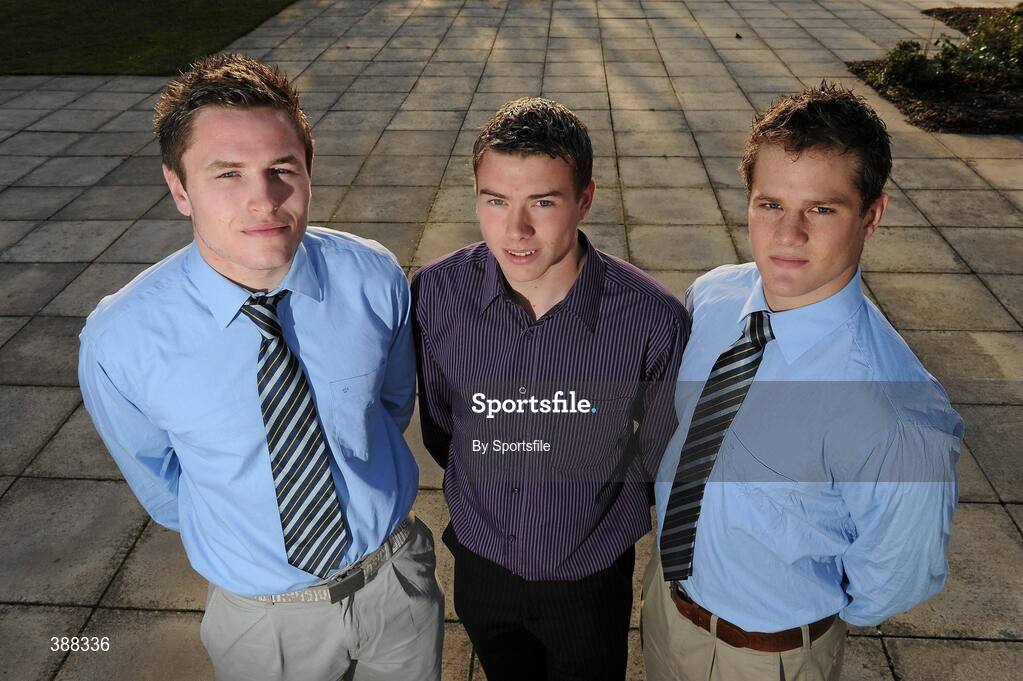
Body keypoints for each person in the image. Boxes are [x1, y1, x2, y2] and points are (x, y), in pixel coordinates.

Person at [77, 54, 443, 681]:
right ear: (179, 188)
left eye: (282, 169)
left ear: (307, 172)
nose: (264, 200)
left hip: (395, 585)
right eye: (227, 174)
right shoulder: (121, 340)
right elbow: (164, 484)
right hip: (263, 621)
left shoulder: (373, 276)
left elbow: (389, 405)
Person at [643, 82, 963, 681]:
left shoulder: (891, 412)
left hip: (767, 656)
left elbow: (896, 578)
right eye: (770, 205)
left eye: (821, 208)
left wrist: (799, 620)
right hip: (666, 609)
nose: (788, 236)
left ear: (872, 215)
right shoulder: (713, 297)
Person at [411, 97, 689, 681]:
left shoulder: (650, 317)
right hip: (482, 565)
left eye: (543, 201)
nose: (516, 230)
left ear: (585, 199)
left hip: (589, 577)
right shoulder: (436, 294)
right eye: (495, 201)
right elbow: (443, 424)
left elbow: (661, 450)